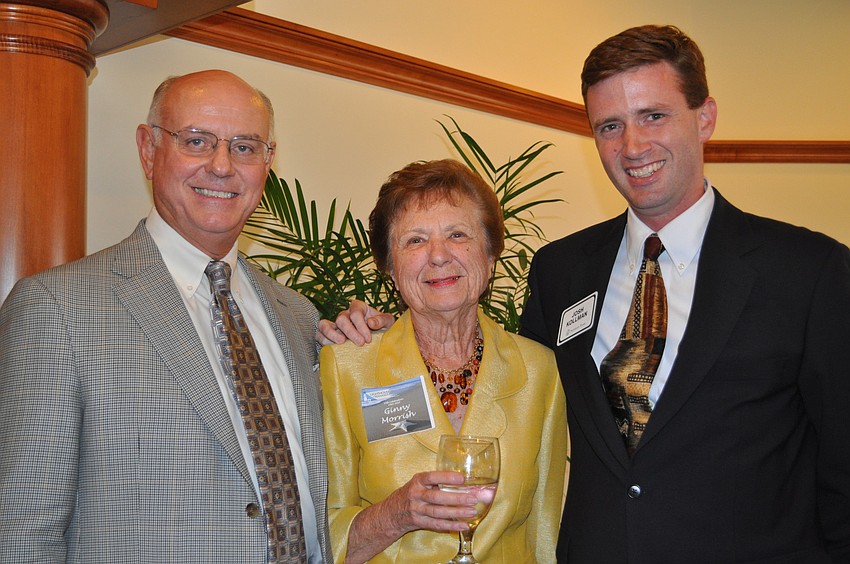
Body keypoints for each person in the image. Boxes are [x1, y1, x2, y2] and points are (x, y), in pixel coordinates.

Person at [319, 25, 850, 563]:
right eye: (610, 126)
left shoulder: (808, 273)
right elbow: (511, 391)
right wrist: (384, 334)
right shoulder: (563, 271)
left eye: (654, 115)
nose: (633, 145)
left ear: (705, 117)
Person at [0, 70, 333, 563]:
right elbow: (20, 533)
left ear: (268, 162)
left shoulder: (298, 315)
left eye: (245, 147)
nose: (222, 166)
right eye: (196, 141)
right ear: (148, 149)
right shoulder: (56, 308)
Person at [319, 159, 567, 563]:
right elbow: (319, 534)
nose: (438, 255)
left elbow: (545, 530)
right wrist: (397, 514)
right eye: (415, 240)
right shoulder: (347, 367)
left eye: (457, 234)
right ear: (390, 269)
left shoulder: (539, 371)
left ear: (489, 257)